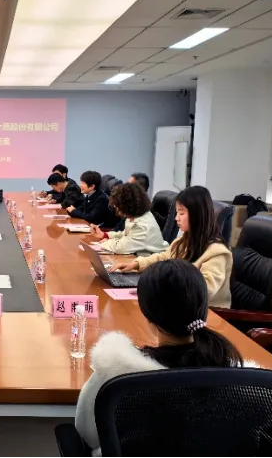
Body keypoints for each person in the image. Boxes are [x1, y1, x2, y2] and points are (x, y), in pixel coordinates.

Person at [75, 259, 243, 455]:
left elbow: (88, 432)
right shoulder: (244, 384)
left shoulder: (117, 374)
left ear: (147, 313)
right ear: (203, 305)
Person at [114, 186, 233, 308]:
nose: (176, 218)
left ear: (197, 215)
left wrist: (167, 283)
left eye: (181, 213)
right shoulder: (183, 241)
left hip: (205, 312)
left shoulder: (217, 252)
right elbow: (165, 257)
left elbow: (205, 289)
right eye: (177, 213)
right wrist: (136, 264)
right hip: (180, 305)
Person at [91, 182, 168, 254]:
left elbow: (122, 247)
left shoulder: (142, 226)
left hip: (151, 261)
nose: (117, 209)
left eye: (118, 206)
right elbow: (125, 235)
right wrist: (105, 235)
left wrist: (105, 243)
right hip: (138, 256)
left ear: (128, 206)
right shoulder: (136, 215)